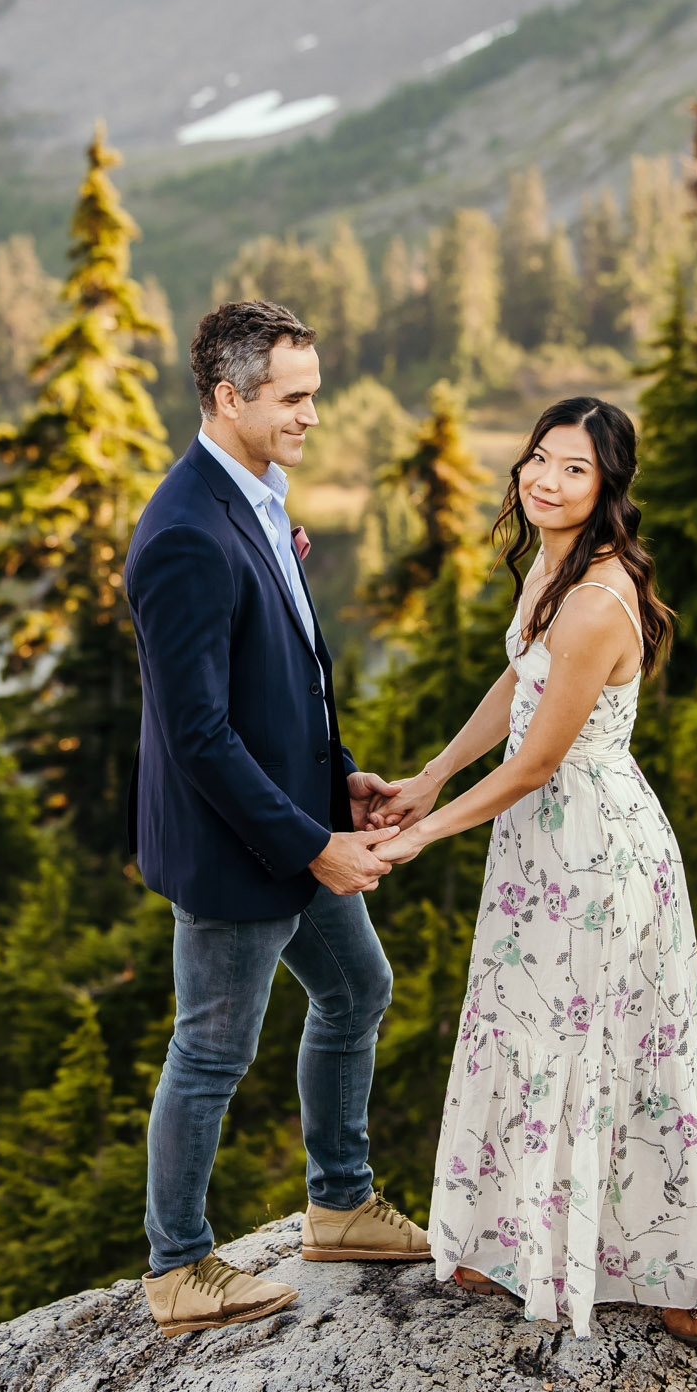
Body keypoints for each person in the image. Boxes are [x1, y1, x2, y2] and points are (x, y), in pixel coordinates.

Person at [370, 395, 697, 1345]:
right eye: (539, 459)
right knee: (523, 1033)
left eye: (574, 468)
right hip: (542, 847)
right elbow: (519, 683)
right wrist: (429, 773)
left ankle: (693, 1262)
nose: (547, 480)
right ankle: (515, 1234)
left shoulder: (602, 598)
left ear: (608, 487)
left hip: (594, 850)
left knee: (617, 1047)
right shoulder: (551, 573)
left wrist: (416, 835)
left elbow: (536, 761)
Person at [123, 299, 432, 1339]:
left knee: (358, 988)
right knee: (211, 1049)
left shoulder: (258, 497)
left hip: (299, 821)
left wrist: (337, 777)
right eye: (293, 395)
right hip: (237, 848)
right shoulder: (181, 533)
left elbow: (288, 677)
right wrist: (313, 844)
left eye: (312, 390)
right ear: (227, 396)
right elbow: (200, 734)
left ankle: (339, 1202)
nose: (312, 412)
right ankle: (176, 1266)